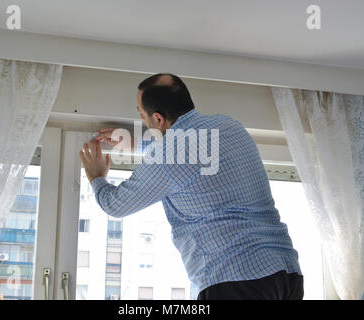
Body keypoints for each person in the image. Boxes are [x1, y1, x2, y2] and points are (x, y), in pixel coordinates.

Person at [79, 73, 304, 300]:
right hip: (288, 275)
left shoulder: (167, 154)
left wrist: (97, 176)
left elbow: (116, 205)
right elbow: (191, 153)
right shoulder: (229, 126)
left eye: (140, 111)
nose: (139, 116)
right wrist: (140, 143)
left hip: (236, 281)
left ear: (158, 119)